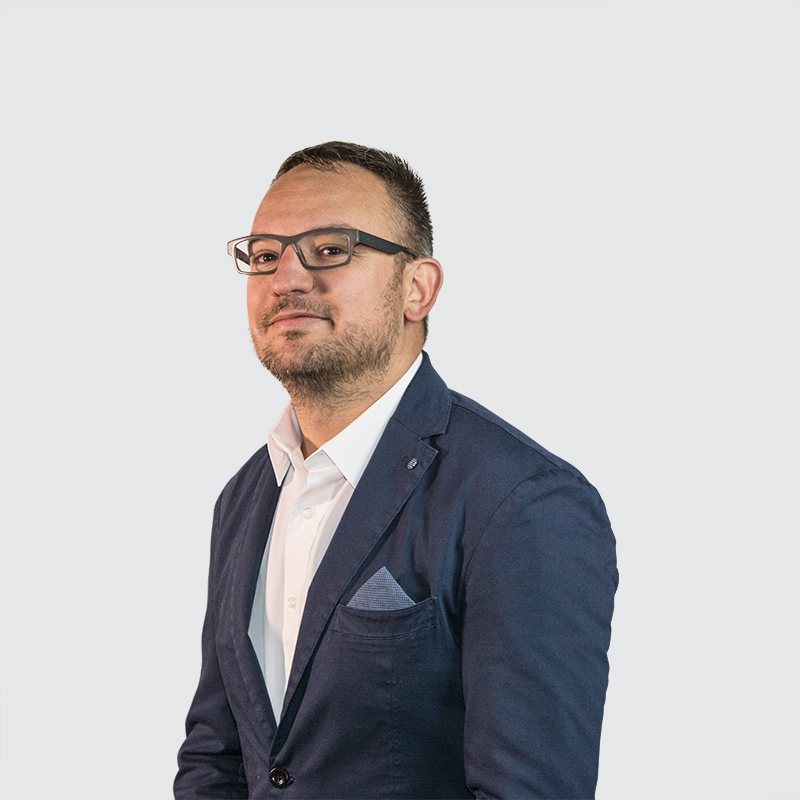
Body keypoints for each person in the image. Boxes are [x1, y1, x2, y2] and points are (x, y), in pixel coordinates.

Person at [174, 142, 618, 799]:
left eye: (330, 249)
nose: (287, 277)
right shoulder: (243, 498)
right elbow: (215, 759)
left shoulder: (521, 502)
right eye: (264, 256)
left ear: (417, 289)